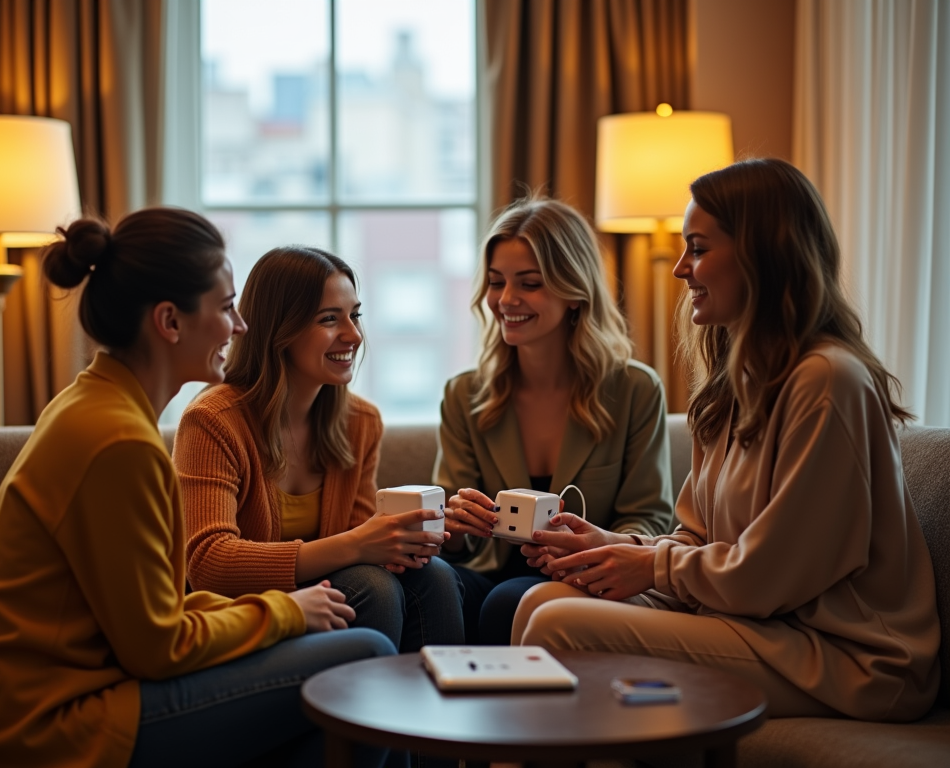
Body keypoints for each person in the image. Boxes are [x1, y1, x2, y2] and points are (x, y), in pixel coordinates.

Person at [0, 208, 399, 768]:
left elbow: (153, 612)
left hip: (74, 684)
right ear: (170, 321)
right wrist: (283, 612)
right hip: (50, 719)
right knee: (367, 657)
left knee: (346, 668)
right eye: (226, 307)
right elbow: (157, 645)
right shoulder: (119, 442)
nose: (240, 328)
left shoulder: (95, 404)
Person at [512, 158, 940, 720]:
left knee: (558, 623)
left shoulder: (828, 380)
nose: (680, 269)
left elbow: (772, 575)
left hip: (848, 657)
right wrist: (618, 547)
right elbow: (697, 538)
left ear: (763, 255)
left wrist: (651, 568)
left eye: (698, 247)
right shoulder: (736, 384)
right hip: (756, 623)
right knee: (544, 599)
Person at [174, 245, 464, 653]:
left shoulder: (360, 422)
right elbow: (209, 565)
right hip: (244, 616)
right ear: (280, 329)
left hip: (328, 591)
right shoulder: (212, 420)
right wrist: (360, 544)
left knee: (434, 575)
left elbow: (362, 537)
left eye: (355, 315)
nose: (354, 335)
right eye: (330, 319)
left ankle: (434, 711)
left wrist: (408, 539)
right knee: (373, 588)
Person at [434, 197, 674, 644]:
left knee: (512, 599)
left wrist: (591, 546)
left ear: (575, 291)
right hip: (486, 575)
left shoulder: (634, 390)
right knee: (430, 583)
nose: (506, 300)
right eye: (495, 282)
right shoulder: (464, 394)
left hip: (579, 577)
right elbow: (452, 537)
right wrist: (452, 524)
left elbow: (649, 519)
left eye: (529, 283)